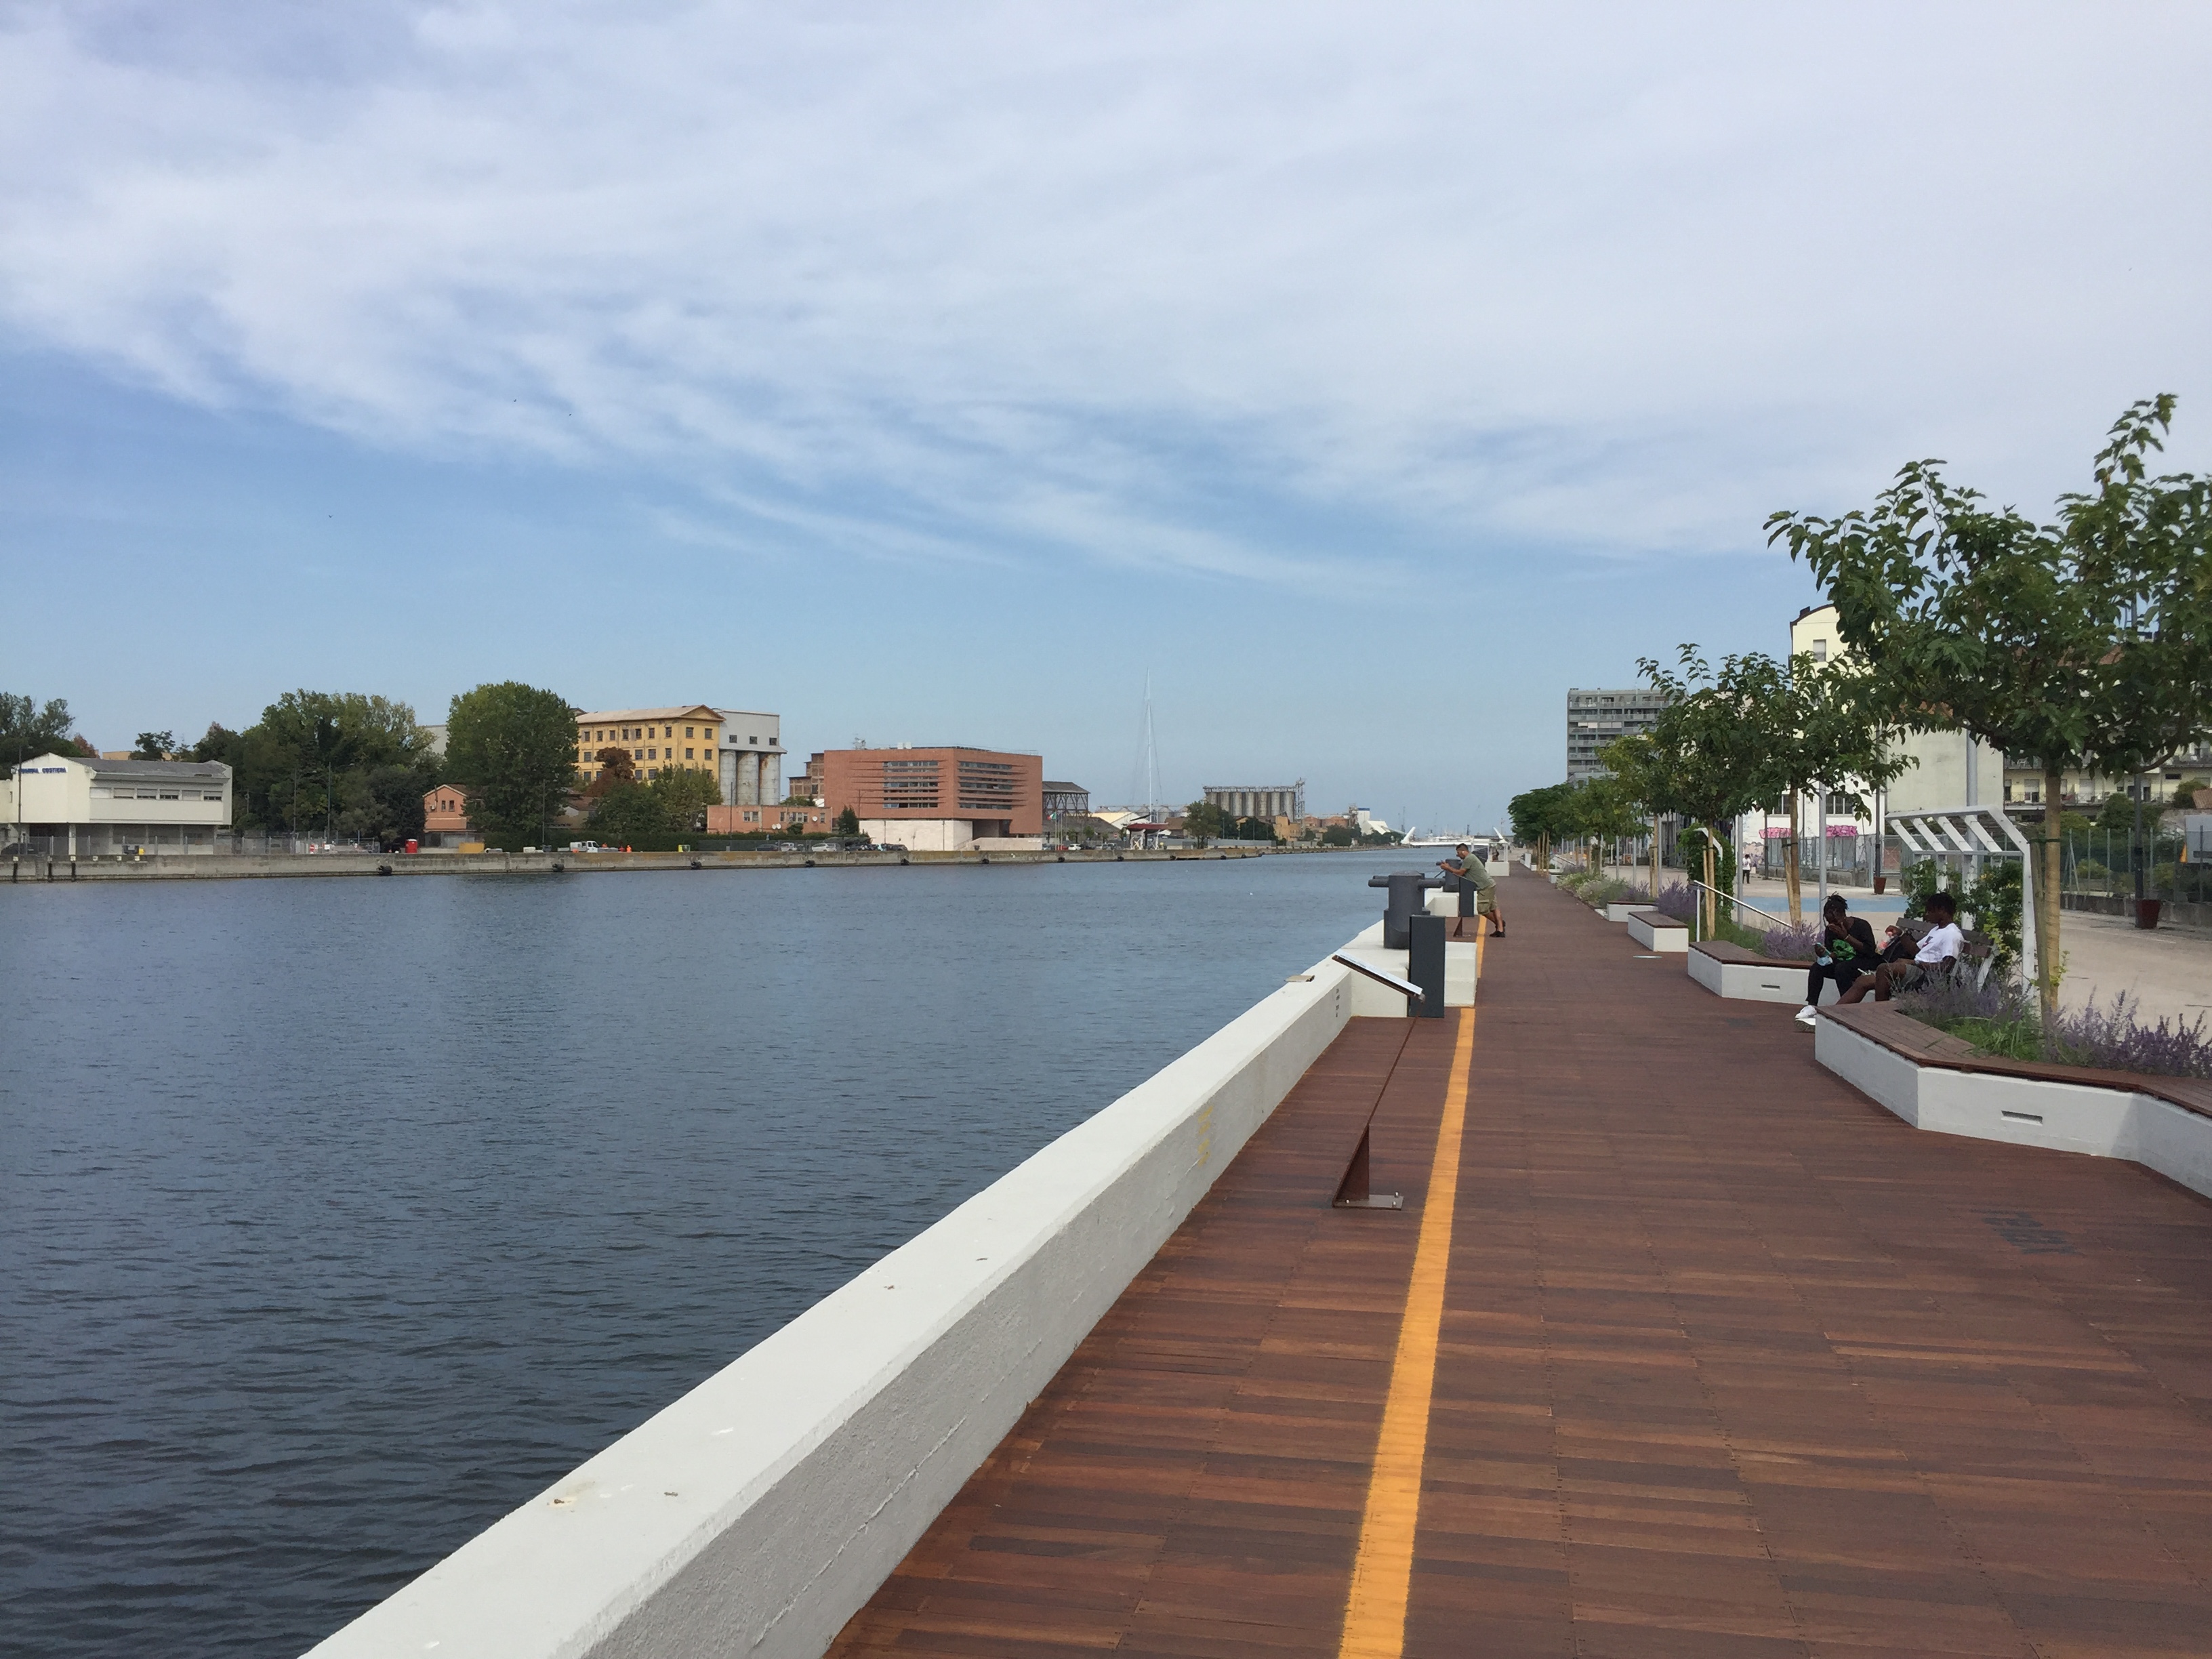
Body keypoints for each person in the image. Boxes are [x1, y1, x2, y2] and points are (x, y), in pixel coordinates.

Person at [1837, 893, 1963, 1004]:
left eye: (1930, 910)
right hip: (1915, 969)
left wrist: (1915, 962)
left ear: (1942, 910)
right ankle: (1834, 1014)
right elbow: (1915, 950)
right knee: (1863, 982)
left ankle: (1880, 1014)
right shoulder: (1937, 930)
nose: (1927, 914)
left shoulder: (1952, 934)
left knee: (1884, 969)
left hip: (1925, 976)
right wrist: (1901, 934)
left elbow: (1946, 967)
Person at [1795, 894, 1877, 1029]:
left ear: (1842, 915)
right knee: (1817, 968)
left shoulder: (1861, 926)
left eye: (1834, 921)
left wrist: (1846, 936)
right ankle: (1812, 1005)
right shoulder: (1831, 930)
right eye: (1828, 922)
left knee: (1842, 968)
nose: (1831, 925)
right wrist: (1823, 954)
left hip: (1864, 961)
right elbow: (1834, 954)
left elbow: (1869, 951)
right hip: (1842, 963)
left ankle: (1845, 1007)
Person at [1438, 842, 1503, 939]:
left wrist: (1448, 868)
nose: (1458, 855)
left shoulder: (1469, 859)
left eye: (1458, 853)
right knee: (1494, 907)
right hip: (1489, 884)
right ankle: (1500, 929)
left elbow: (1460, 873)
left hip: (1484, 886)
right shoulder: (1471, 858)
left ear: (1463, 851)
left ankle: (1499, 925)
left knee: (1483, 910)